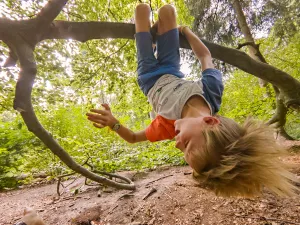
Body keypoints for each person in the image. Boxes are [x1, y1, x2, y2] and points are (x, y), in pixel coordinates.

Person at [87, 4, 299, 197]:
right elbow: (205, 57)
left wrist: (113, 123)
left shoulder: (167, 126)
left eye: (181, 150)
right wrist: (186, 32)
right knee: (168, 11)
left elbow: (133, 137)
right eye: (186, 144)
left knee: (142, 10)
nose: (177, 143)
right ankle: (156, 39)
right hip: (171, 67)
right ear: (210, 122)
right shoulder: (211, 92)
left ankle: (150, 42)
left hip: (148, 75)